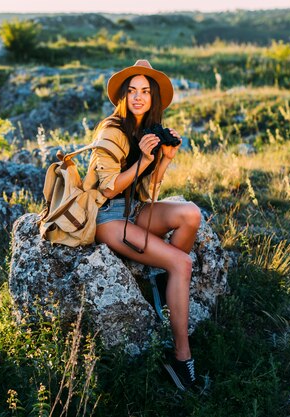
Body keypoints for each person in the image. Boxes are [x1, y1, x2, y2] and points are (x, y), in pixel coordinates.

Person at [89, 59, 201, 391]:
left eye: (145, 92)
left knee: (191, 214)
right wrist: (144, 161)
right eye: (133, 91)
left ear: (153, 99)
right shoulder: (111, 130)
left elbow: (148, 188)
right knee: (182, 262)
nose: (139, 97)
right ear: (124, 96)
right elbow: (108, 188)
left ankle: (166, 279)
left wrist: (163, 159)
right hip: (109, 217)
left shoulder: (145, 130)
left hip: (133, 208)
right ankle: (183, 361)